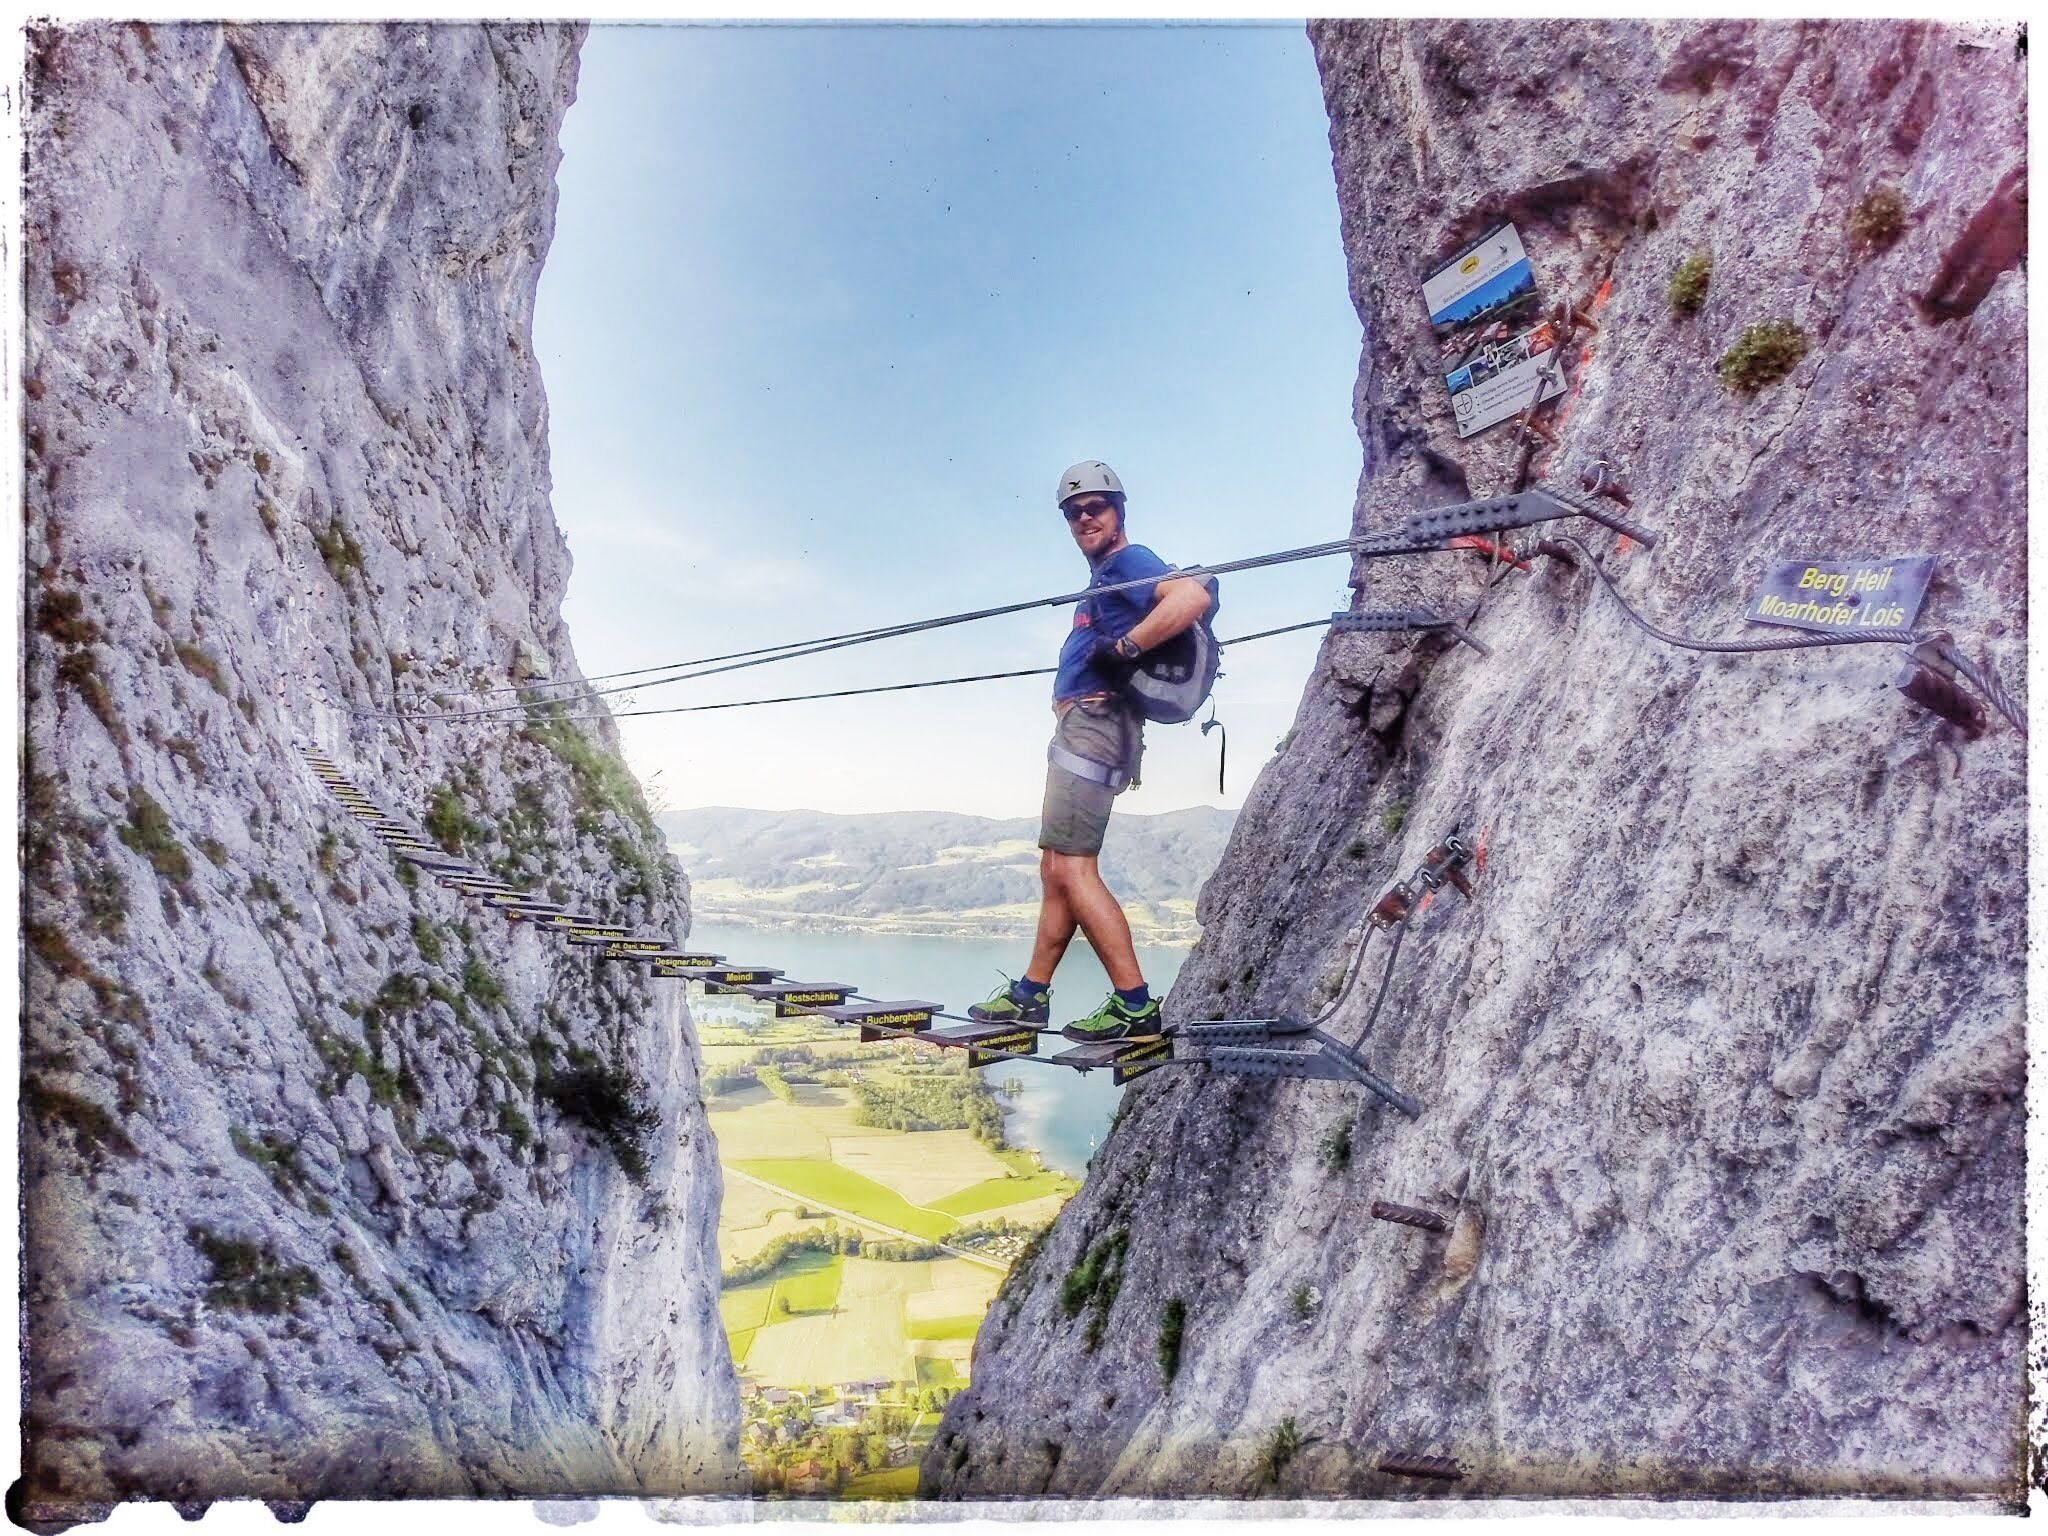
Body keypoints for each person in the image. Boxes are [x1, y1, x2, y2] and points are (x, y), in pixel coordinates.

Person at [968, 461, 1214, 1043]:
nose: (1085, 516)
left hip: (1095, 725)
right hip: (1087, 727)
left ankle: (1134, 1004)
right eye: (1074, 512)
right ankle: (1031, 994)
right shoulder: (1106, 577)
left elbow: (1191, 597)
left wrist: (1125, 647)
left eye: (1096, 506)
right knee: (1057, 867)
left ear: (1119, 511)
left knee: (1073, 867)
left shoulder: (1128, 563)